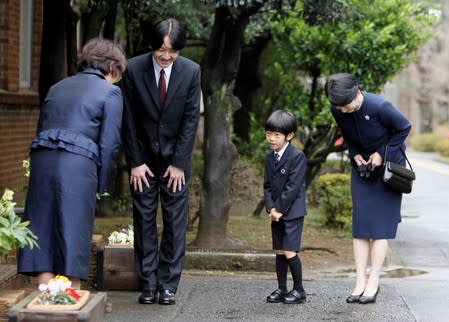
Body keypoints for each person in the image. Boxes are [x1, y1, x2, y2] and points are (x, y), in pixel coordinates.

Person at [17, 38, 127, 289]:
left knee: (43, 231)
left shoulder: (57, 87)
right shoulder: (110, 92)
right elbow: (109, 144)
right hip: (77, 165)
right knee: (73, 230)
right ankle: (70, 300)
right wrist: (100, 186)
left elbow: (40, 128)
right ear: (112, 67)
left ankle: (46, 299)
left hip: (43, 160)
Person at [120, 18, 201, 305]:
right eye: (161, 49)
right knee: (143, 220)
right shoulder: (132, 69)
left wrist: (179, 162)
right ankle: (148, 283)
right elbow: (127, 118)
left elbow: (191, 119)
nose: (166, 56)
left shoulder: (192, 72)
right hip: (143, 159)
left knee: (174, 223)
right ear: (152, 46)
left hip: (175, 161)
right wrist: (136, 161)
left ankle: (168, 284)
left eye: (172, 51)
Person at [325, 72, 412, 304]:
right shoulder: (338, 109)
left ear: (357, 92)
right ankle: (359, 281)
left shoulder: (379, 106)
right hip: (362, 169)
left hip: (388, 171)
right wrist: (354, 156)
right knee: (361, 226)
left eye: (347, 105)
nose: (343, 110)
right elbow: (349, 137)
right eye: (339, 106)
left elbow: (404, 128)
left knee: (381, 227)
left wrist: (381, 154)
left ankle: (373, 281)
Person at [263, 110, 308, 305]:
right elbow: (266, 186)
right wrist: (271, 208)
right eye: (268, 133)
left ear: (289, 135)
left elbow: (292, 187)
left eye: (276, 135)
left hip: (292, 212)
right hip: (276, 213)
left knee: (290, 250)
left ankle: (299, 290)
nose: (271, 138)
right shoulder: (269, 157)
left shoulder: (297, 157)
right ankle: (282, 288)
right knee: (280, 250)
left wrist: (279, 209)